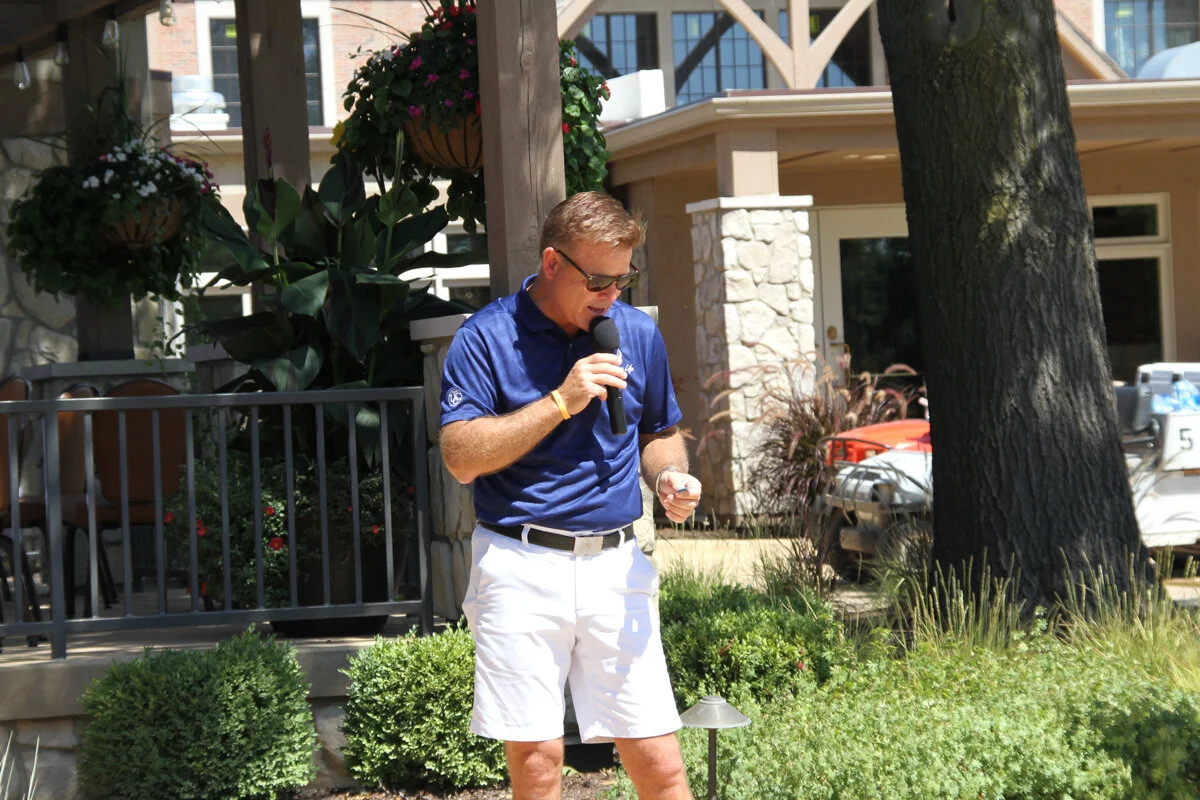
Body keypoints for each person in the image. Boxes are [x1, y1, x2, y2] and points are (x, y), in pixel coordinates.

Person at [439, 191, 701, 800]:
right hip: (520, 563)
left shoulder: (636, 333)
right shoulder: (485, 337)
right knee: (537, 763)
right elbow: (460, 457)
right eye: (599, 281)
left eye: (623, 279)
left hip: (617, 565)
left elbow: (659, 432)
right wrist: (561, 401)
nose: (612, 295)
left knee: (660, 760)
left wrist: (668, 475)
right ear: (553, 263)